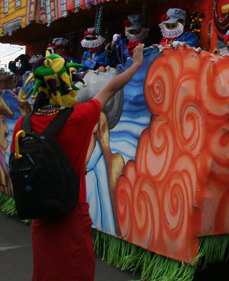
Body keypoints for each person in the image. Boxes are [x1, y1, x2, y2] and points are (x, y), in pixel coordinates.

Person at [13, 44, 145, 281]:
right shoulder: (79, 118)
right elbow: (111, 88)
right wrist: (135, 64)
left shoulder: (22, 125)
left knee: (45, 274)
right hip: (71, 216)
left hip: (41, 218)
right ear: (67, 83)